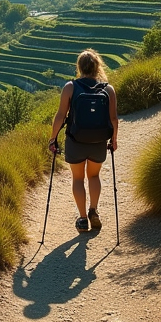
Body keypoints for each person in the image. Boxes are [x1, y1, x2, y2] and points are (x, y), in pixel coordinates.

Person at [48, 49, 118, 233]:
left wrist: (53, 138)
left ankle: (82, 219)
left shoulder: (70, 87)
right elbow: (114, 120)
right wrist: (114, 140)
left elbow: (61, 115)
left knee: (78, 178)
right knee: (94, 176)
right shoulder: (108, 89)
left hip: (75, 139)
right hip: (98, 141)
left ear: (79, 67)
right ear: (97, 67)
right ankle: (93, 211)